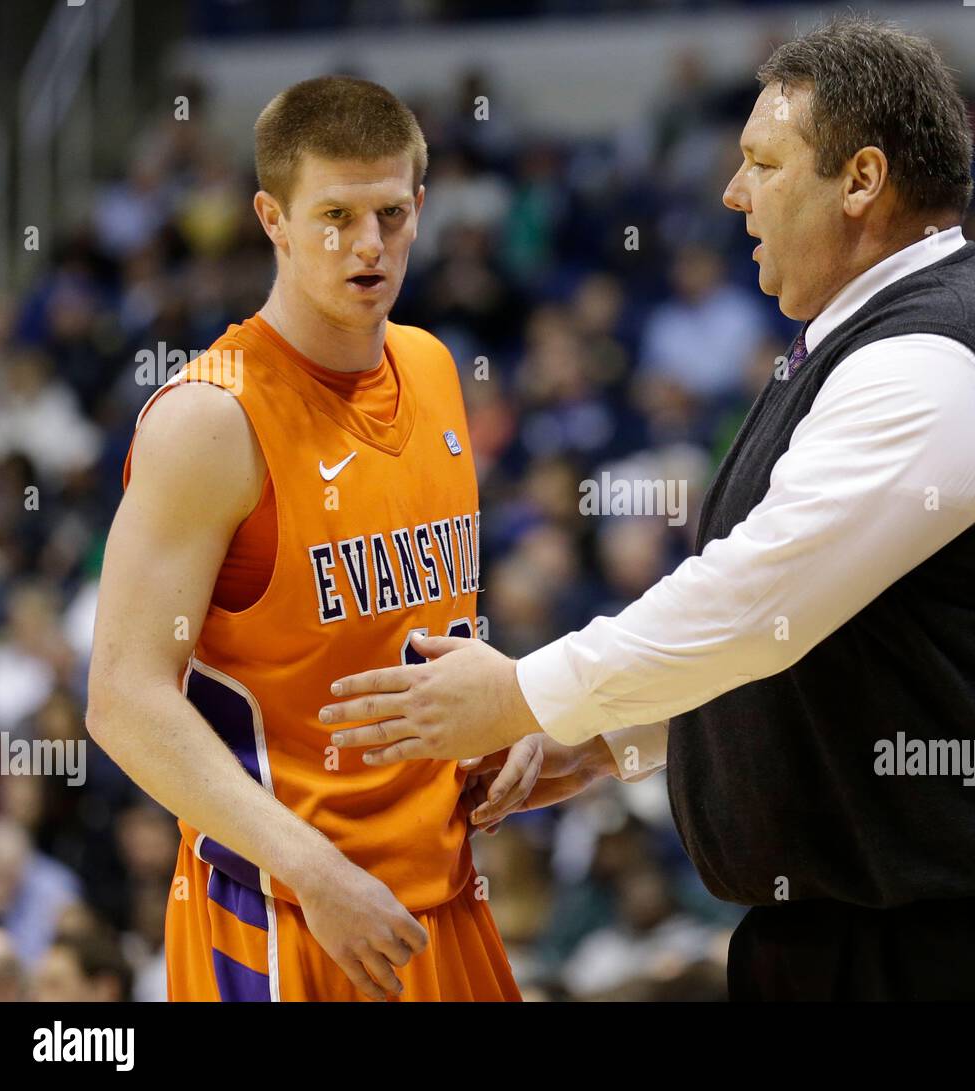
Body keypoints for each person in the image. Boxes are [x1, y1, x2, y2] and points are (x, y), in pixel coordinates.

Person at [322, 17, 975, 1001]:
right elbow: (812, 633)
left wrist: (525, 689)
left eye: (761, 163)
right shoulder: (858, 339)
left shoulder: (930, 361)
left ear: (860, 180)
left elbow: (753, 598)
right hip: (889, 913)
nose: (733, 193)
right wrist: (616, 735)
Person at [86, 76, 616, 1002]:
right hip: (286, 908)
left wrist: (506, 721)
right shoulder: (209, 419)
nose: (368, 245)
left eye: (391, 213)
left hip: (443, 894)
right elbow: (123, 699)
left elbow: (413, 626)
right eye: (334, 214)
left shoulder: (434, 365)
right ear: (272, 218)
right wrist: (314, 871)